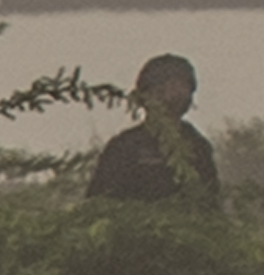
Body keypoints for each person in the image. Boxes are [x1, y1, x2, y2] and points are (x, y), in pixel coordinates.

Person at [85, 53, 221, 204]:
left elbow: (209, 202)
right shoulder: (125, 146)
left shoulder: (197, 146)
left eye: (183, 85)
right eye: (166, 85)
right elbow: (98, 202)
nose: (176, 92)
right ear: (146, 95)